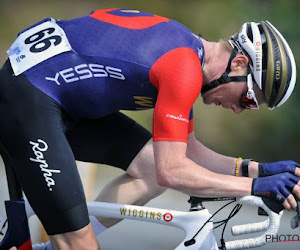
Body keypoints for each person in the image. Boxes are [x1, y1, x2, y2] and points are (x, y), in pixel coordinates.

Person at [1, 8, 299, 250]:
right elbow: (171, 170)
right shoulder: (183, 69)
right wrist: (253, 188)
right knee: (82, 245)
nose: (238, 109)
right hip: (31, 98)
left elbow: (188, 152)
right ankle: (71, 239)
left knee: (148, 172)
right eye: (248, 98)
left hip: (59, 98)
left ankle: (63, 240)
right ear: (239, 62)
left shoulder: (189, 57)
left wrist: (259, 170)